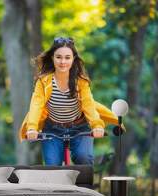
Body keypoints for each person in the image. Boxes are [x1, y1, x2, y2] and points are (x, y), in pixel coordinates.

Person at [19, 36, 120, 166]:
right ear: (52, 58)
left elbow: (88, 105)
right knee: (52, 165)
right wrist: (32, 127)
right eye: (59, 57)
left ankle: (83, 186)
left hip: (79, 127)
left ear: (73, 59)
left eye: (67, 57)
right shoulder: (43, 82)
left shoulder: (81, 82)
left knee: (84, 158)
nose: (63, 62)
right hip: (52, 129)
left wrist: (97, 125)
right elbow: (36, 104)